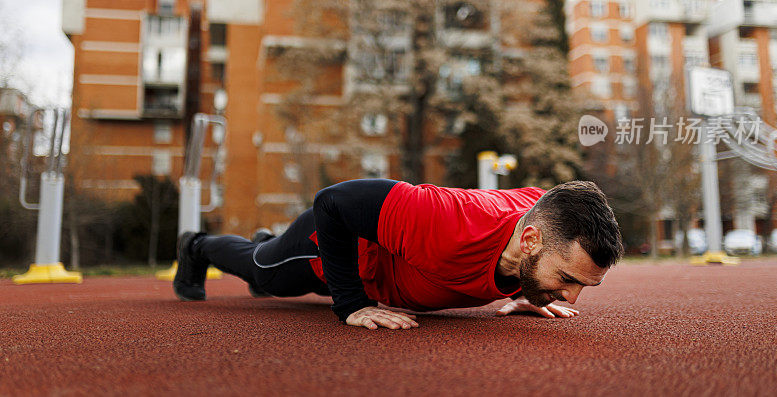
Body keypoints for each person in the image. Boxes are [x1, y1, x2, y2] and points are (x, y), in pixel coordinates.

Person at [173, 178, 624, 330]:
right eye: (567, 279)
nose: (572, 297)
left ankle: (268, 241)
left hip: (392, 265)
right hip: (341, 254)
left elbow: (561, 202)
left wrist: (535, 288)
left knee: (267, 264)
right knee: (265, 274)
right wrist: (349, 305)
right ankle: (195, 246)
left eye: (583, 284)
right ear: (529, 242)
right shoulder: (448, 220)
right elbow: (332, 202)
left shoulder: (547, 226)